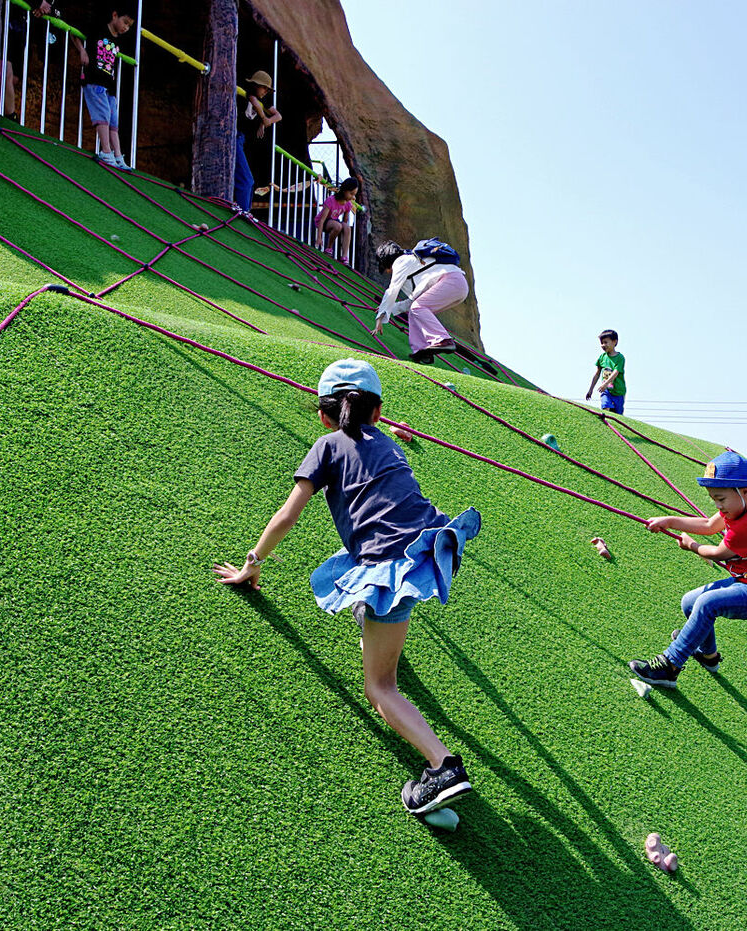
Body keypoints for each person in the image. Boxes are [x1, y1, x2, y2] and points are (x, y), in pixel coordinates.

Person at [214, 359, 482, 815]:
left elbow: (287, 516)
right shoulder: (392, 446)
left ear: (324, 414)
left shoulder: (326, 445)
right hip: (426, 549)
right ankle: (371, 615)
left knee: (381, 687)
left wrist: (252, 564)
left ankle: (443, 767)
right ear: (377, 414)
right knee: (354, 577)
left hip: (388, 566)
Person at [628, 451, 747, 689]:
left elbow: (718, 553)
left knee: (708, 603)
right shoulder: (738, 507)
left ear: (745, 492)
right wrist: (670, 520)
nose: (718, 506)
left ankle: (669, 667)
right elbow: (707, 525)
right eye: (714, 499)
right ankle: (708, 656)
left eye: (721, 499)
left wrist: (691, 545)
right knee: (690, 602)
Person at [371, 241, 468, 364]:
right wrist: (389, 310)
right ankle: (421, 351)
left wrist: (380, 316)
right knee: (415, 310)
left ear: (386, 261)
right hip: (458, 286)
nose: (388, 272)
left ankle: (444, 340)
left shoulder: (400, 262)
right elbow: (411, 303)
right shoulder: (414, 264)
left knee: (418, 308)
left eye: (385, 268)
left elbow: (392, 290)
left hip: (451, 281)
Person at [72, 7, 136, 171]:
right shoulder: (98, 29)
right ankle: (106, 152)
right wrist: (82, 51)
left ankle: (117, 154)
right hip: (94, 79)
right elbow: (74, 32)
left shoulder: (119, 40)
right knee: (103, 115)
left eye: (129, 26)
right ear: (115, 15)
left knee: (113, 120)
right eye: (125, 22)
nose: (125, 28)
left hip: (109, 84)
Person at [234, 71, 281, 213]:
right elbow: (254, 101)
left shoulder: (264, 100)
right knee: (246, 180)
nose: (266, 91)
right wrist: (263, 117)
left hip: (241, 140)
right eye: (264, 88)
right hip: (234, 137)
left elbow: (278, 116)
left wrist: (265, 122)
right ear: (256, 85)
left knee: (249, 181)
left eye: (268, 89)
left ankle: (244, 211)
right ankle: (243, 212)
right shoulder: (247, 91)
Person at [0, 1, 53, 120]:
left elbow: (51, 9)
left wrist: (42, 8)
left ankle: (3, 110)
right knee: (5, 71)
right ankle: (9, 115)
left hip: (22, 30)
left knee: (14, 78)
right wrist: (38, 3)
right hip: (6, 21)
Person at [314, 178, 359, 261]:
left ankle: (344, 256)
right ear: (344, 191)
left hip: (334, 221)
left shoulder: (348, 204)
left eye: (354, 195)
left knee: (347, 227)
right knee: (338, 226)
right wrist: (319, 237)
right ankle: (329, 248)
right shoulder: (331, 200)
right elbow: (322, 220)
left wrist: (344, 232)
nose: (353, 197)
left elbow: (345, 221)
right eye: (351, 194)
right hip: (323, 222)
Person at [584, 329, 626, 415]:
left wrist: (606, 383)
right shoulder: (602, 357)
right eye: (602, 343)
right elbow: (597, 374)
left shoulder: (620, 358)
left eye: (606, 342)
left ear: (615, 342)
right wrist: (590, 389)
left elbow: (616, 372)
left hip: (618, 391)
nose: (603, 345)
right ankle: (605, 418)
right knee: (605, 405)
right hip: (606, 390)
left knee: (618, 413)